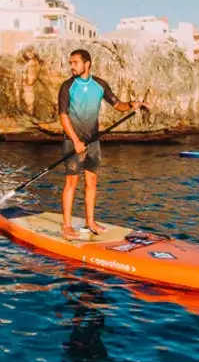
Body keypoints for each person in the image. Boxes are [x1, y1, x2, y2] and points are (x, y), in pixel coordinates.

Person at [57, 49, 148, 239]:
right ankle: (66, 226)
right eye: (70, 62)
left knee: (92, 181)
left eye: (75, 62)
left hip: (93, 141)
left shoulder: (99, 85)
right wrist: (75, 141)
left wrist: (132, 104)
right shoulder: (67, 86)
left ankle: (90, 222)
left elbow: (117, 104)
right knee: (71, 182)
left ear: (87, 63)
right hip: (73, 141)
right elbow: (63, 116)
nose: (72, 66)